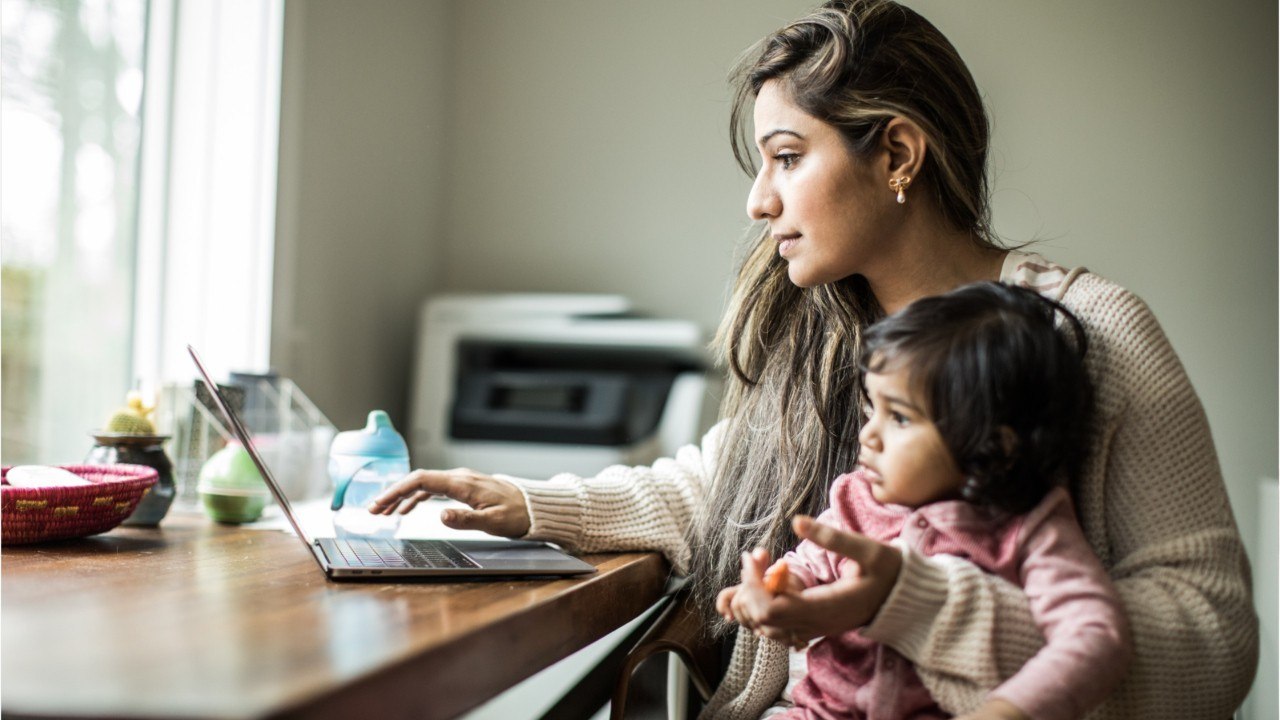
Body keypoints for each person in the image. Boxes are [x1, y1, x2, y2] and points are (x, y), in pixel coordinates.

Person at [371, 1, 1258, 717]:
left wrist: (914, 607)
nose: (759, 202)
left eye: (788, 158)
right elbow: (718, 492)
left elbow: (1214, 639)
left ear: (898, 154)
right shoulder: (821, 334)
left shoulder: (1090, 334)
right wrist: (529, 504)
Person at [716, 281, 1132, 720]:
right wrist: (777, 591)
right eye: (872, 408)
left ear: (995, 444)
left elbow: (1095, 636)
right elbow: (805, 565)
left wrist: (1007, 711)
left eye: (898, 417)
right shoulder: (856, 499)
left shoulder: (1031, 527)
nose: (868, 435)